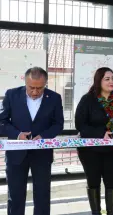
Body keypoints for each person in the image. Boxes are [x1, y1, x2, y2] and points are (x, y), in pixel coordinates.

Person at [0, 67, 64, 215]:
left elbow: (58, 124)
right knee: (15, 196)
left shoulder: (54, 98)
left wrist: (44, 136)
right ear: (25, 82)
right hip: (16, 155)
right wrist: (17, 134)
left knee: (42, 196)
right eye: (31, 88)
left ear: (46, 84)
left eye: (40, 88)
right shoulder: (12, 95)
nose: (35, 92)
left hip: (42, 155)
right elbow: (2, 122)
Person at [75, 67, 113, 215]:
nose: (111, 81)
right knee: (93, 182)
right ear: (98, 81)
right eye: (107, 79)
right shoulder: (88, 99)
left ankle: (111, 213)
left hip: (112, 150)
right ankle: (96, 212)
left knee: (111, 183)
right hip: (90, 151)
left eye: (112, 78)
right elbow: (80, 125)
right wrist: (101, 134)